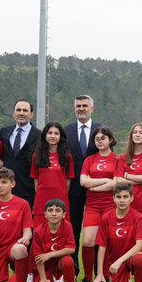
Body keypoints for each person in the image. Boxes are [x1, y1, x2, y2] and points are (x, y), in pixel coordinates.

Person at [93, 182, 142, 282]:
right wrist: (100, 274)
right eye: (118, 197)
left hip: (129, 258)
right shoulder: (107, 218)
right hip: (114, 263)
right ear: (113, 198)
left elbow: (139, 245)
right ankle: (122, 281)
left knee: (140, 258)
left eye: (125, 197)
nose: (122, 200)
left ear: (131, 198)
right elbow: (101, 246)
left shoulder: (137, 217)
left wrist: (120, 261)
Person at [79, 126, 123, 282]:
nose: (99, 141)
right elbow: (83, 181)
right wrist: (105, 181)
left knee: (107, 242)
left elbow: (116, 183)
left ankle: (106, 277)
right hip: (92, 205)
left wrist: (94, 186)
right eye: (96, 138)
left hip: (110, 205)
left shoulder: (117, 160)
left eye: (103, 138)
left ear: (110, 140)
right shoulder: (89, 160)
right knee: (88, 242)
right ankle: (87, 278)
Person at [64, 95, 101, 260]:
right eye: (78, 106)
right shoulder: (66, 132)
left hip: (98, 189)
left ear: (92, 108)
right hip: (73, 189)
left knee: (97, 233)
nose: (81, 109)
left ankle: (98, 273)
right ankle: (72, 269)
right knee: (73, 230)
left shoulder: (101, 130)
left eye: (84, 106)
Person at [29, 199, 78, 282]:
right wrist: (43, 278)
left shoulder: (68, 226)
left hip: (58, 264)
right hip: (44, 267)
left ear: (64, 214)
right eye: (50, 210)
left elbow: (71, 249)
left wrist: (50, 254)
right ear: (45, 214)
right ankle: (35, 278)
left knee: (68, 260)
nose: (54, 213)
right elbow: (38, 257)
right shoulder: (38, 231)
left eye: (58, 210)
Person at [0, 99, 41, 208]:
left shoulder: (39, 135)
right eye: (18, 110)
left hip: (28, 188)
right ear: (14, 113)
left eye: (25, 110)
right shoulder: (4, 132)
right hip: (6, 187)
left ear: (31, 114)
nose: (21, 113)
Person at [29, 121, 73, 227]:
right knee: (40, 233)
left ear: (61, 136)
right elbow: (36, 180)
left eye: (56, 133)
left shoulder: (67, 156)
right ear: (45, 135)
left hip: (61, 200)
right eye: (50, 133)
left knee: (61, 233)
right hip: (41, 201)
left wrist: (61, 194)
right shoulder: (37, 155)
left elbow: (68, 181)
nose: (52, 136)